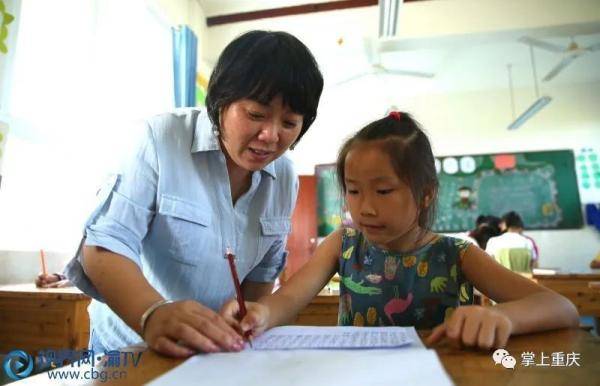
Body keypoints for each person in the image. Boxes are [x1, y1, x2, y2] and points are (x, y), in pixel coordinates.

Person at [221, 111, 578, 350]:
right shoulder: (342, 243)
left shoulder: (459, 254)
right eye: (354, 191)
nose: (365, 208)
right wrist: (263, 313)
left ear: (425, 195)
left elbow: (560, 307)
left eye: (384, 190)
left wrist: (501, 316)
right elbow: (288, 299)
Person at [64, 30, 324, 357]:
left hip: (211, 358)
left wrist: (249, 323)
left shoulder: (284, 177)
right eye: (256, 114)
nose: (270, 135)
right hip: (128, 350)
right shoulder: (160, 140)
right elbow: (104, 247)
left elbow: (261, 275)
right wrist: (152, 313)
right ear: (221, 100)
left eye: (289, 122)